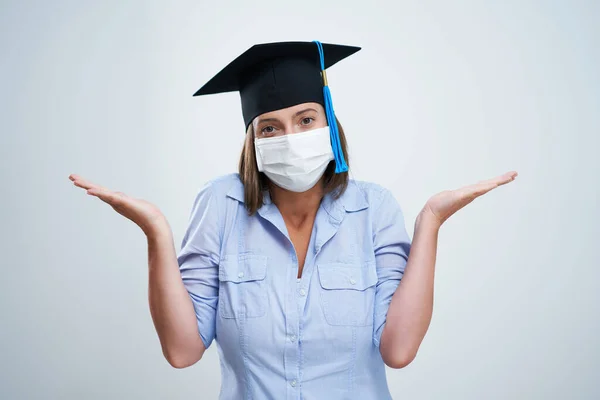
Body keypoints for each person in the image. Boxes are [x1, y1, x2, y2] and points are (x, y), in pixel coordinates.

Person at [69, 41, 518, 399]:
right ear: (253, 141)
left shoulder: (374, 210)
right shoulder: (220, 204)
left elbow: (398, 351)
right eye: (270, 128)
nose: (290, 137)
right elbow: (183, 351)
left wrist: (431, 222)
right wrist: (156, 233)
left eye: (305, 120)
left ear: (328, 125)